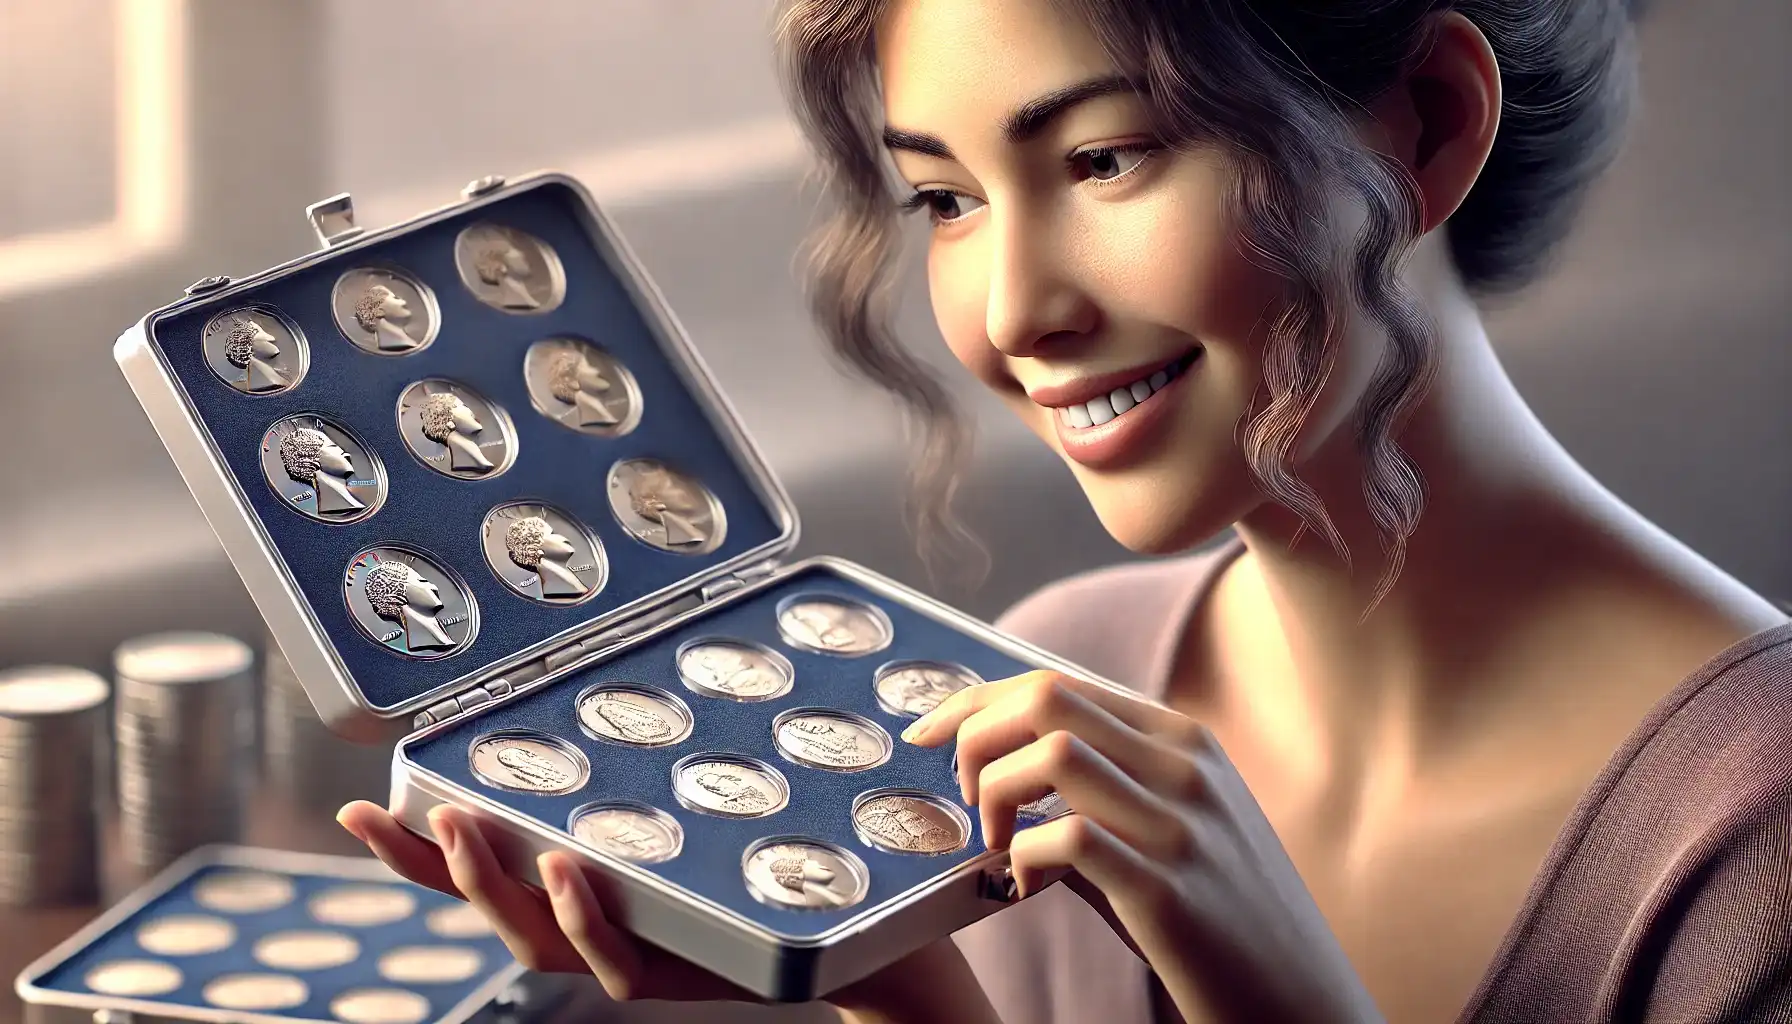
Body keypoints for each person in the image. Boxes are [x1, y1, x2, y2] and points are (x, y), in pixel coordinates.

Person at [338, 0, 1792, 1021]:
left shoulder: (1752, 844)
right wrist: (889, 981)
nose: (1014, 314)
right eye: (947, 201)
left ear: (1428, 127)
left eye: (1104, 158)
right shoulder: (1049, 677)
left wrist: (1271, 991)